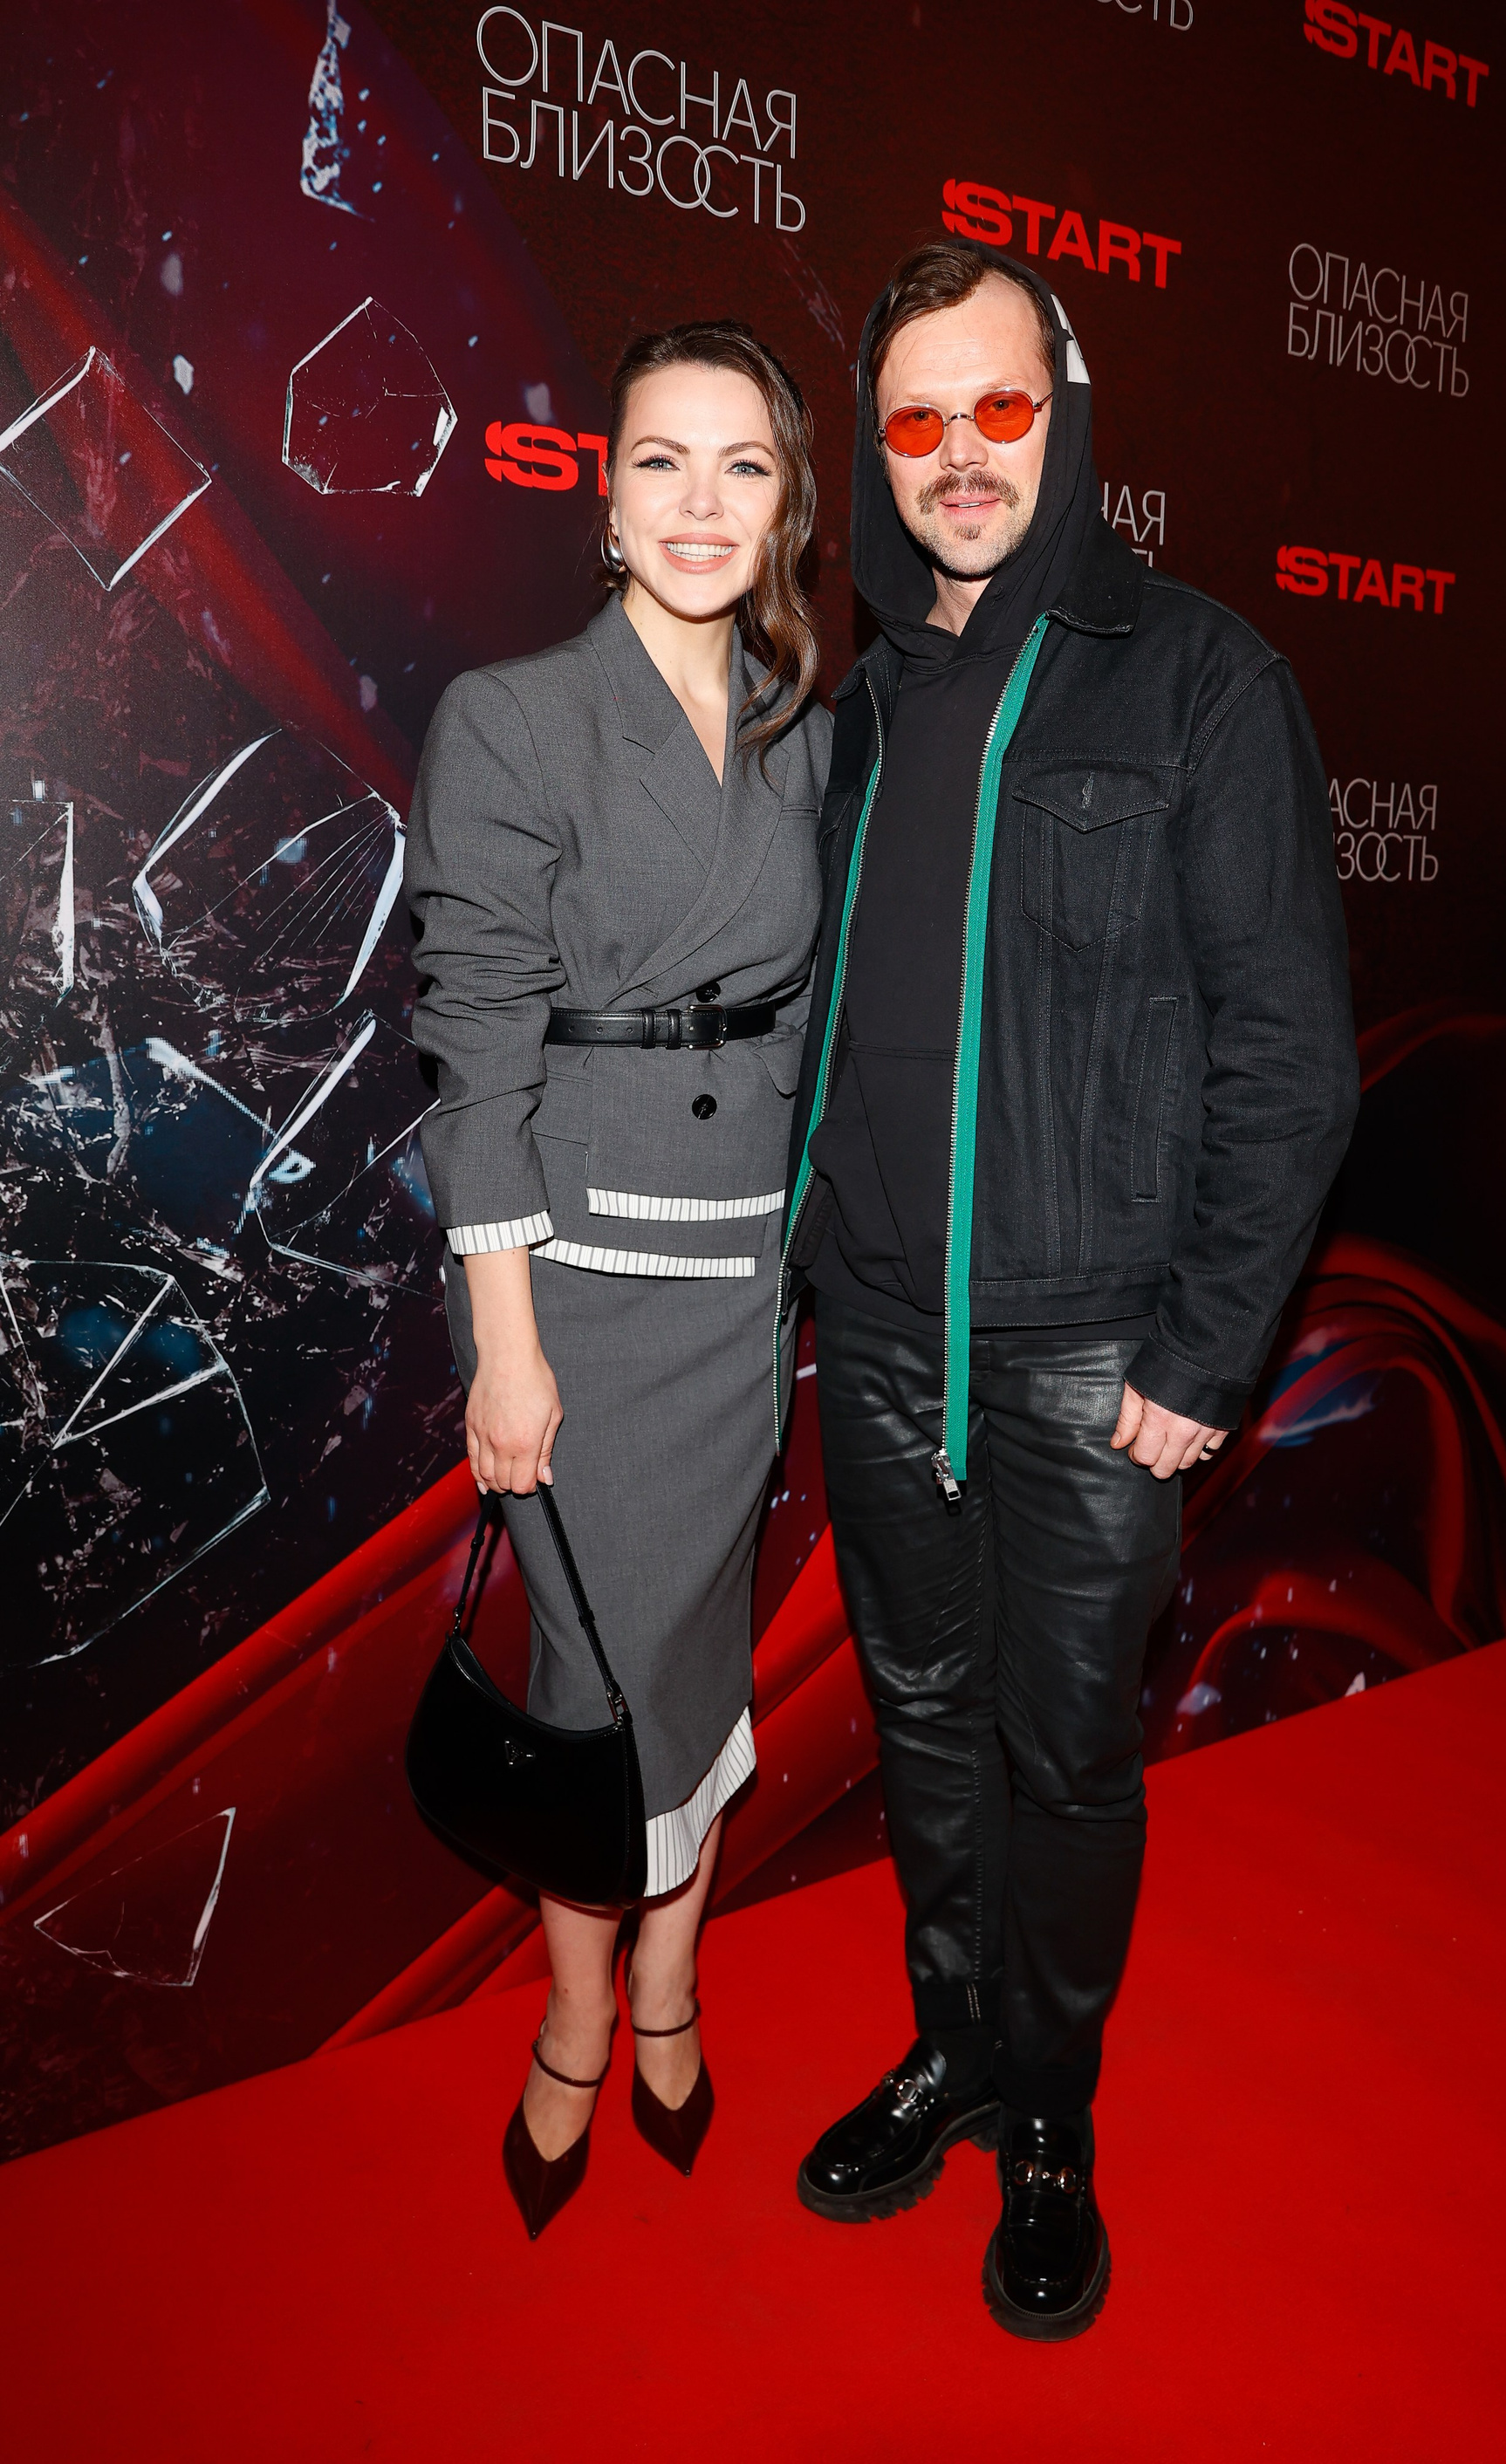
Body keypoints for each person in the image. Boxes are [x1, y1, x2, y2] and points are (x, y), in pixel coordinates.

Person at [781, 244, 1359, 2337]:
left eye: (1000, 408)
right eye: (917, 418)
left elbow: (1289, 1055)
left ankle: (1049, 2109)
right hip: (876, 1330)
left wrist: (1206, 1350)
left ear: (1071, 409)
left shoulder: (1199, 679)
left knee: (1069, 1752)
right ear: (878, 450)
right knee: (925, 1722)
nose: (960, 454)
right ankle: (951, 2047)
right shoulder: (857, 708)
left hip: (1095, 1350)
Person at [407, 321, 828, 2240]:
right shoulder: (514, 718)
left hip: (736, 1281)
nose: (699, 503)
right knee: (592, 1681)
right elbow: (476, 1047)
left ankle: (673, 1969)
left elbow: (810, 1014)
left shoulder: (808, 727)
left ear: (787, 502)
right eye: (662, 461)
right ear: (605, 496)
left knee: (696, 1654)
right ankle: (582, 2005)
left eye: (743, 465)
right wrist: (505, 1351)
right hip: (568, 1285)